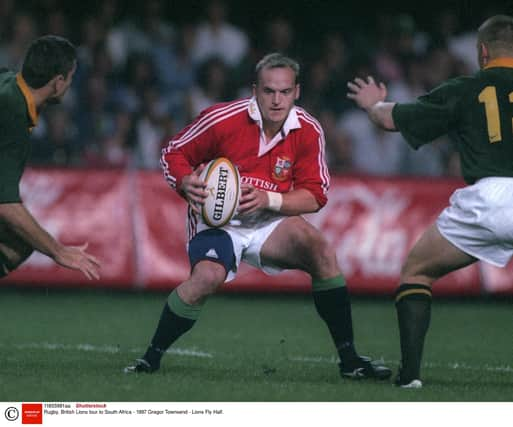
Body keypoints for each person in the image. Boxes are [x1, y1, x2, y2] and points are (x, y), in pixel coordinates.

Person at [125, 52, 391, 380]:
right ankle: (150, 358)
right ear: (255, 90)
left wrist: (269, 199)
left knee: (320, 250)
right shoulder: (223, 118)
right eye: (268, 91)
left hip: (268, 219)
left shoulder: (308, 130)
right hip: (218, 220)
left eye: (284, 92)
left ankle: (349, 360)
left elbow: (316, 195)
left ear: (297, 92)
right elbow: (173, 152)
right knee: (206, 278)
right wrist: (184, 181)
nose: (277, 100)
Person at [347, 15, 513, 389]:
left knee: (417, 271)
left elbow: (390, 120)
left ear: (482, 52)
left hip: (487, 200)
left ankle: (410, 376)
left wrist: (373, 104)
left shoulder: (467, 87)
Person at [0, 35, 100, 281]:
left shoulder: (9, 82)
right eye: (70, 77)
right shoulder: (13, 114)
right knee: (20, 239)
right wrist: (59, 251)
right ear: (57, 82)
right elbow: (6, 206)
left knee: (20, 243)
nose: (69, 85)